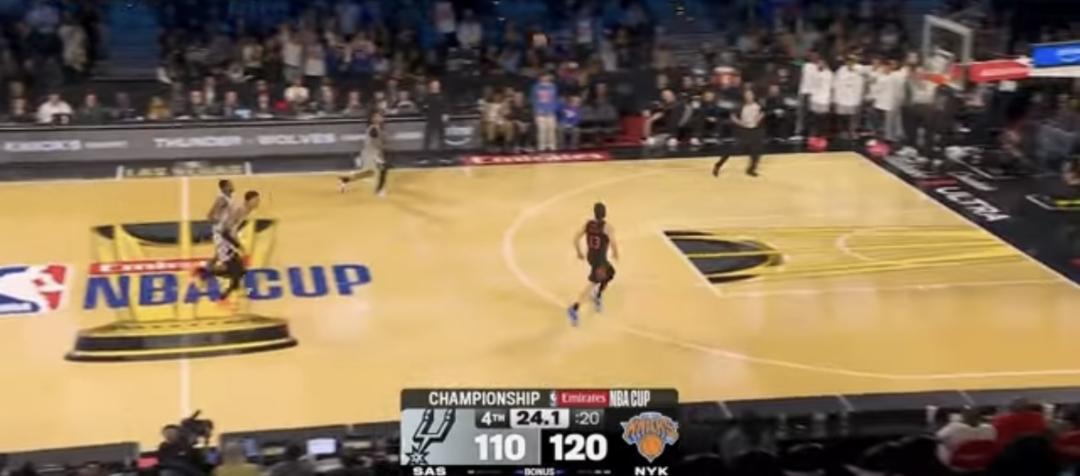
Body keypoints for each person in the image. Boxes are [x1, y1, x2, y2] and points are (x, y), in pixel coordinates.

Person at [567, 202, 619, 326]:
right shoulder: (607, 227)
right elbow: (613, 242)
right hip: (600, 261)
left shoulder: (588, 224)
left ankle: (598, 295)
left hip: (591, 257)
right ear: (604, 213)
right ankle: (574, 308)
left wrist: (579, 252)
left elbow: (576, 238)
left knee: (610, 273)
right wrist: (616, 253)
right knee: (592, 283)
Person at [712, 87, 766, 177]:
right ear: (744, 97)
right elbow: (732, 117)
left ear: (753, 96)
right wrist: (740, 122)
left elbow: (762, 114)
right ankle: (718, 165)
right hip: (743, 130)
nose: (748, 97)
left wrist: (759, 118)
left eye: (750, 95)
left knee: (756, 152)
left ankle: (751, 169)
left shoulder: (758, 105)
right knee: (733, 149)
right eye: (747, 95)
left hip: (755, 131)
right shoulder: (740, 106)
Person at [339, 111, 388, 196]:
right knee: (383, 169)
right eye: (377, 116)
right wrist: (380, 153)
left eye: (380, 116)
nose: (380, 118)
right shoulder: (373, 129)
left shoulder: (377, 128)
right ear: (373, 119)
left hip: (372, 153)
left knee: (369, 173)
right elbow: (375, 143)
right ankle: (379, 190)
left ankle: (345, 179)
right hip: (371, 153)